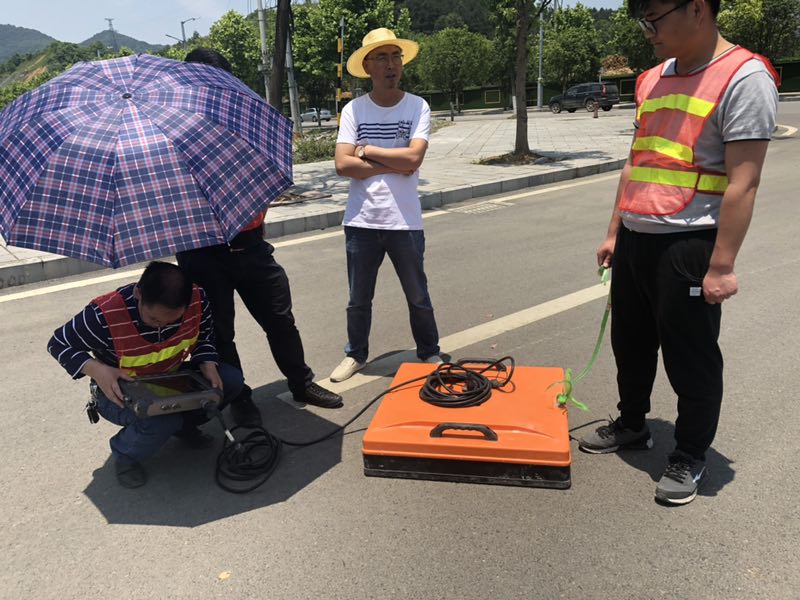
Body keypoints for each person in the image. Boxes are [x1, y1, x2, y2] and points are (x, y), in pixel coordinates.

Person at [578, 0, 779, 505]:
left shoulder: (744, 77)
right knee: (630, 344)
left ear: (696, 9)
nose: (647, 30)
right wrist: (614, 231)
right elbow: (636, 162)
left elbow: (744, 182)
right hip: (636, 236)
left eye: (654, 18)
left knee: (690, 356)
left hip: (689, 242)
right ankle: (632, 424)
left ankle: (690, 453)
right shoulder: (651, 79)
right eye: (641, 20)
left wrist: (722, 265)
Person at [176, 47, 343, 422]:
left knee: (280, 319)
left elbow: (270, 174)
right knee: (219, 334)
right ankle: (239, 398)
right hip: (200, 252)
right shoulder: (171, 133)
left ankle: (301, 382)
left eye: (218, 82)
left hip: (251, 246)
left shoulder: (245, 120)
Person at [47, 261, 245, 488]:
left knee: (228, 382)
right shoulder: (104, 315)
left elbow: (205, 335)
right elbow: (57, 344)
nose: (162, 327)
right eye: (154, 320)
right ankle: (126, 454)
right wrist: (98, 370)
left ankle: (183, 427)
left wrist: (207, 362)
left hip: (171, 378)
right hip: (119, 389)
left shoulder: (198, 300)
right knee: (162, 419)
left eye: (173, 320)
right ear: (138, 294)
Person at [329, 28, 442, 383]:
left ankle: (429, 350)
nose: (391, 65)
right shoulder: (354, 109)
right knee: (358, 298)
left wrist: (367, 150)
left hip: (404, 221)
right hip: (361, 220)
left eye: (396, 57)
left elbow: (414, 158)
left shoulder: (417, 106)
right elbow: (342, 164)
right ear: (367, 66)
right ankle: (355, 354)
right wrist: (395, 162)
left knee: (417, 294)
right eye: (382, 58)